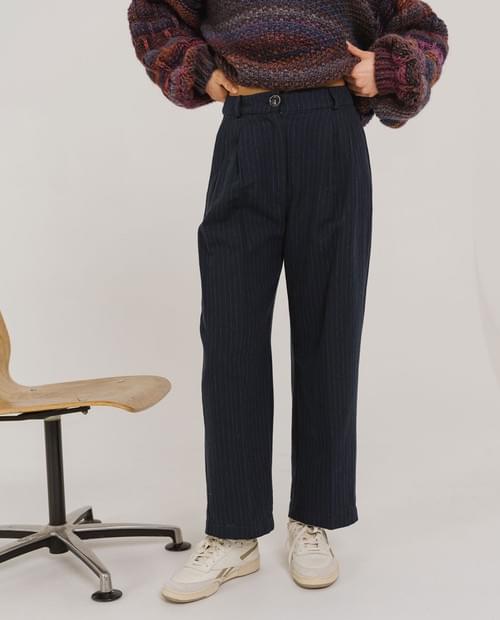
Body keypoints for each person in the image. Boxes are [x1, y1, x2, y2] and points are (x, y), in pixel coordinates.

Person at [127, 0, 449, 603]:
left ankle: (315, 520)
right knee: (231, 339)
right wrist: (197, 69)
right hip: (245, 130)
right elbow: (153, 14)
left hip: (329, 131)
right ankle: (233, 532)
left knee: (330, 333)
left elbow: (422, 27)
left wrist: (387, 68)